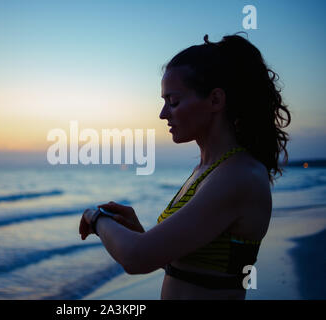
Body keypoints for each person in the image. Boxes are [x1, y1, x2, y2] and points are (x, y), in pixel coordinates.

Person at [79, 32, 291, 299]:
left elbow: (136, 258)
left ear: (215, 100)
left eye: (173, 101)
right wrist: (141, 234)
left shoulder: (239, 176)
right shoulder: (208, 170)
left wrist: (95, 217)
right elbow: (194, 269)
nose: (163, 114)